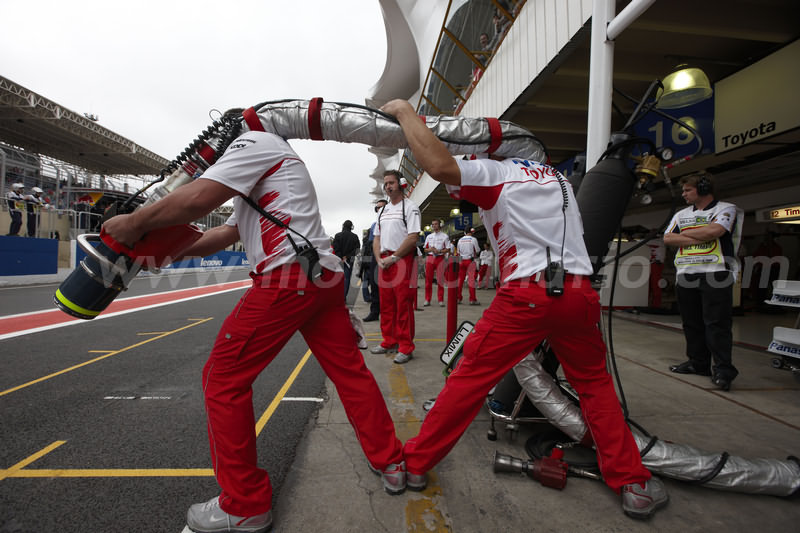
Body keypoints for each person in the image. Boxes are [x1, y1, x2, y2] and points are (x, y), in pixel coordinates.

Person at [102, 113, 405, 532]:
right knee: (350, 374)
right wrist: (167, 253)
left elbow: (196, 200)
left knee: (222, 379)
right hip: (322, 277)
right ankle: (391, 460)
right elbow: (224, 235)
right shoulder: (271, 160)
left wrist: (133, 223)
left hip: (287, 278)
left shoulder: (252, 145)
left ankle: (244, 504)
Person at [380, 98, 668, 520]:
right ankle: (633, 482)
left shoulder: (500, 173)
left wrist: (407, 114)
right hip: (578, 293)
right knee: (595, 386)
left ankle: (415, 463)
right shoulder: (561, 180)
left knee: (468, 380)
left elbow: (441, 169)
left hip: (525, 295)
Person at [665, 173, 743, 392]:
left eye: (687, 190)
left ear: (702, 188)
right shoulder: (681, 214)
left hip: (716, 272)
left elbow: (716, 231)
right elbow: (668, 238)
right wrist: (702, 235)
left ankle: (724, 370)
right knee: (691, 323)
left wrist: (689, 235)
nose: (683, 194)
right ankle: (698, 363)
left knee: (717, 324)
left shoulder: (726, 208)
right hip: (686, 272)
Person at [369, 170, 421, 365]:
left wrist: (394, 257)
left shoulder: (410, 207)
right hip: (384, 261)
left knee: (403, 305)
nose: (388, 186)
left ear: (401, 183)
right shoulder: (382, 210)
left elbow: (413, 237)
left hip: (402, 260)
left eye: (391, 182)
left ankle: (406, 347)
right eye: (386, 183)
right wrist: (379, 258)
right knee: (387, 304)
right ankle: (388, 341)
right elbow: (377, 238)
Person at [363, 199, 388, 322]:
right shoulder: (374, 225)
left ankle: (388, 313)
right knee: (374, 284)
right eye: (377, 208)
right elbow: (371, 243)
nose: (379, 210)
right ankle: (375, 311)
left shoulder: (392, 222)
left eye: (382, 207)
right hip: (375, 255)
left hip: (389, 254)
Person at [422, 219, 450, 307]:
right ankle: (427, 299)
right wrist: (431, 249)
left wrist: (439, 251)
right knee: (428, 280)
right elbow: (425, 249)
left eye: (436, 224)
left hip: (440, 258)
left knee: (440, 279)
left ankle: (440, 299)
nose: (434, 226)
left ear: (440, 225)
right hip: (430, 258)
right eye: (433, 224)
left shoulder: (445, 236)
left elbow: (448, 249)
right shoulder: (429, 236)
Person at [332, 219, 360, 301]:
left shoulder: (337, 235)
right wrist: (347, 256)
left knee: (337, 278)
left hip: (338, 259)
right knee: (347, 278)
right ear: (351, 227)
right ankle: (343, 297)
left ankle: (337, 296)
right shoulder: (355, 236)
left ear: (343, 225)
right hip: (349, 260)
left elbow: (335, 247)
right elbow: (357, 249)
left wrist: (340, 256)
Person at [456, 227, 481, 305]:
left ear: (464, 232)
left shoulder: (460, 240)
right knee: (471, 281)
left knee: (460, 280)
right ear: (472, 232)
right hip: (470, 261)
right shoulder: (473, 239)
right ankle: (472, 299)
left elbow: (458, 252)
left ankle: (458, 298)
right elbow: (477, 250)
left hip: (462, 261)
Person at [645, 234, 665, 309]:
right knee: (646, 286)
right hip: (649, 264)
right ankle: (646, 304)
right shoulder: (657, 241)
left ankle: (656, 305)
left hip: (656, 265)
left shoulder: (660, 241)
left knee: (655, 285)